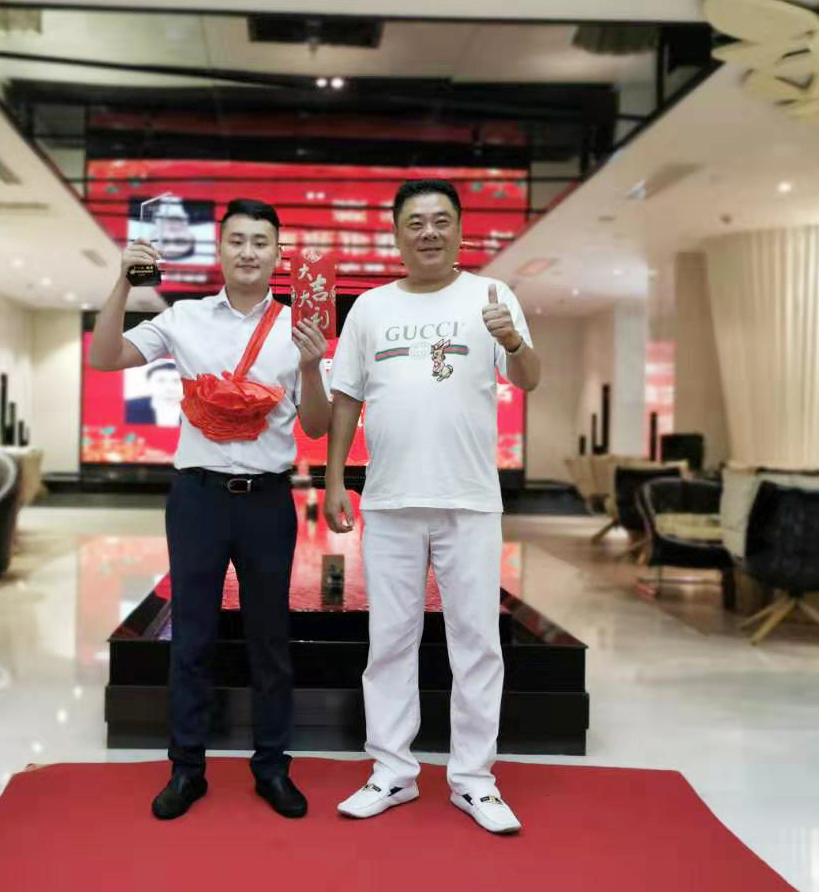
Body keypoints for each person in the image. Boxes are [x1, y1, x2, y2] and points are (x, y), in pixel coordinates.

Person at [89, 198, 331, 821]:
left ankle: (272, 766)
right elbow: (104, 357)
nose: (249, 251)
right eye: (237, 240)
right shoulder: (184, 318)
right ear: (220, 249)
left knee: (269, 639)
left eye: (261, 242)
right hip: (196, 498)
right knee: (191, 636)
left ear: (278, 254)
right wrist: (122, 282)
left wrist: (311, 366)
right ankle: (187, 768)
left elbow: (316, 426)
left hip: (268, 500)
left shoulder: (298, 327)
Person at [324, 179, 541, 834]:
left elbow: (529, 378)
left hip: (469, 500)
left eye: (441, 220)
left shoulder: (491, 296)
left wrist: (515, 342)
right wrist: (334, 479)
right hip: (390, 500)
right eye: (415, 222)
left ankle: (474, 779)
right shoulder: (369, 308)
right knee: (390, 641)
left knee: (476, 643)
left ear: (460, 230)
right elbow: (347, 397)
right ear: (395, 234)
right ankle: (392, 771)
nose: (429, 232)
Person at [125, 361, 183, 426]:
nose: (169, 388)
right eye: (161, 381)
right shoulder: (127, 409)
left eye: (176, 381)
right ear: (148, 384)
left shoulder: (189, 411)